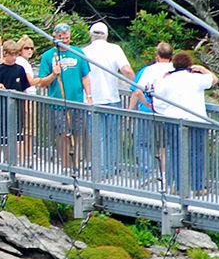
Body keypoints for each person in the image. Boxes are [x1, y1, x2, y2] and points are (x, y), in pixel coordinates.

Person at [147, 52, 219, 194]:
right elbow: (214, 80)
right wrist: (202, 69)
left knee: (175, 153)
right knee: (196, 153)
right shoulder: (196, 78)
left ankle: (179, 187)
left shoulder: (166, 80)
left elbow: (157, 100)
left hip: (173, 120)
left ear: (174, 64)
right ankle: (198, 186)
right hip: (196, 120)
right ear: (189, 65)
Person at [37, 23, 92, 173]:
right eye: (62, 37)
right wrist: (53, 74)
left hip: (77, 102)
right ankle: (66, 165)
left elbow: (85, 77)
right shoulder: (48, 56)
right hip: (58, 103)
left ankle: (76, 164)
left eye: (67, 37)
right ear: (55, 37)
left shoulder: (78, 53)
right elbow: (42, 82)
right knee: (62, 134)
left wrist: (89, 96)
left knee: (77, 134)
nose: (65, 40)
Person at [84, 21, 135, 174]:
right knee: (112, 135)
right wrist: (137, 86)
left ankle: (100, 168)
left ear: (91, 35)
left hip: (92, 99)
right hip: (112, 98)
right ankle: (110, 166)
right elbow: (126, 70)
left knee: (97, 136)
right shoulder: (115, 49)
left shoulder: (83, 52)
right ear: (106, 35)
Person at [127, 42, 175, 182]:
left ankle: (147, 173)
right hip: (169, 113)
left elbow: (137, 91)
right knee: (166, 145)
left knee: (143, 143)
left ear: (157, 56)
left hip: (147, 112)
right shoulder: (176, 70)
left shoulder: (148, 70)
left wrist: (134, 109)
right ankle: (166, 175)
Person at [0, 40, 32, 162]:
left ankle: (19, 160)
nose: (14, 57)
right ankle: (7, 160)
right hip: (3, 104)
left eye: (15, 55)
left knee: (18, 133)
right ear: (5, 54)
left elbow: (24, 89)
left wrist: (25, 105)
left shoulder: (20, 69)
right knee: (4, 133)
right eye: (11, 55)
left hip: (18, 104)